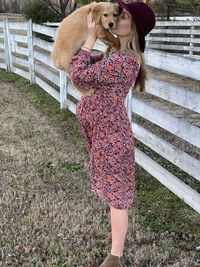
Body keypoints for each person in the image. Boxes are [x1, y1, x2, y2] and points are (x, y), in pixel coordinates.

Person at [69, 0, 155, 266]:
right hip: (102, 132)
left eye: (123, 16)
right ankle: (115, 241)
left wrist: (90, 39)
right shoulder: (113, 54)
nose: (116, 19)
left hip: (112, 135)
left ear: (135, 27)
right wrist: (86, 41)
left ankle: (115, 256)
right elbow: (76, 61)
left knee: (117, 195)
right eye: (117, 14)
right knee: (110, 189)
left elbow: (79, 76)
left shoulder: (125, 60)